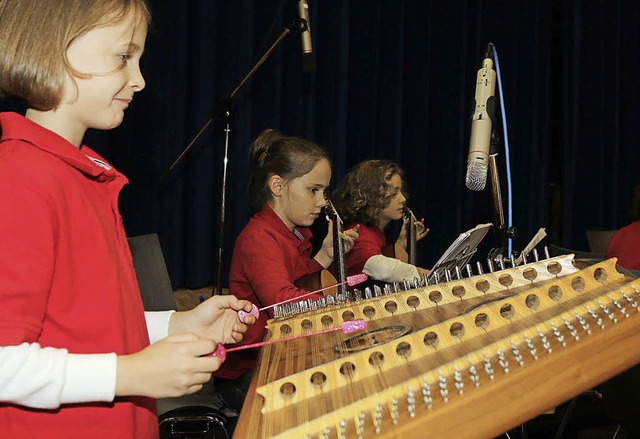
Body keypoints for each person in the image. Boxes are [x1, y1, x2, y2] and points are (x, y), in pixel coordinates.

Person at [0, 2, 255, 438]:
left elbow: (86, 325)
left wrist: (177, 323)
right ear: (54, 49)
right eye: (123, 57)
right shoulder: (22, 179)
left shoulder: (82, 173)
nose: (139, 79)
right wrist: (130, 375)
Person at [213, 128, 359, 415]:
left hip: (276, 358)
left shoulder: (295, 234)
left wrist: (325, 255)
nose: (322, 201)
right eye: (313, 190)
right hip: (248, 372)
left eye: (324, 191)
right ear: (277, 186)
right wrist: (341, 306)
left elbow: (301, 282)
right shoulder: (259, 238)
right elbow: (283, 301)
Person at [332, 159, 430, 283]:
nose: (403, 199)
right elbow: (382, 269)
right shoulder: (358, 234)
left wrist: (401, 243)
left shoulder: (374, 233)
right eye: (394, 193)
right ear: (372, 197)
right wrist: (431, 276)